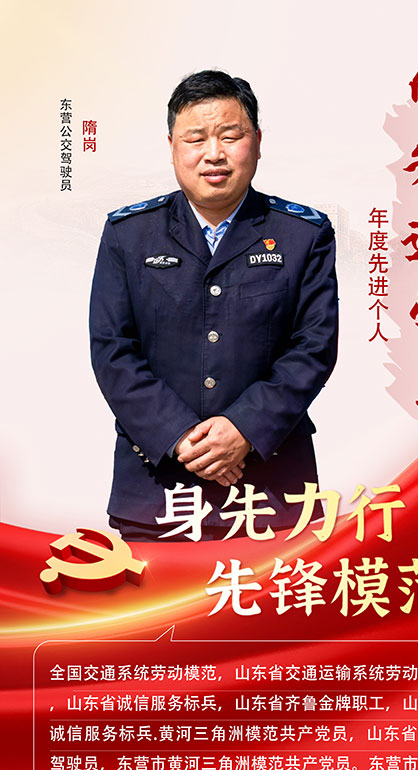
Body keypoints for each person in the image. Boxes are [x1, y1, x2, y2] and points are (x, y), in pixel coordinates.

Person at [90, 70, 338, 540]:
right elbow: (112, 350)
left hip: (272, 494)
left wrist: (244, 429)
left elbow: (314, 348)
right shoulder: (129, 234)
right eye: (196, 138)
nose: (214, 153)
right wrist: (180, 436)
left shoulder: (302, 235)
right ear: (172, 147)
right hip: (157, 491)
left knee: (277, 593)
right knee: (153, 594)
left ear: (257, 142)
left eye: (230, 135)